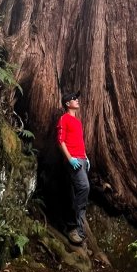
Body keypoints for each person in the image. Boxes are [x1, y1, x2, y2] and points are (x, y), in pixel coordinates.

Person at [57, 91, 90, 245]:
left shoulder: (77, 121)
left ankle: (78, 230)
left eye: (76, 98)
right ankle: (72, 226)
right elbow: (60, 140)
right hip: (74, 160)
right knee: (84, 187)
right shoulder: (64, 119)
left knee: (77, 192)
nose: (77, 100)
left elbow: (79, 141)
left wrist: (86, 157)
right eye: (73, 99)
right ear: (67, 103)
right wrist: (70, 159)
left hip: (82, 159)